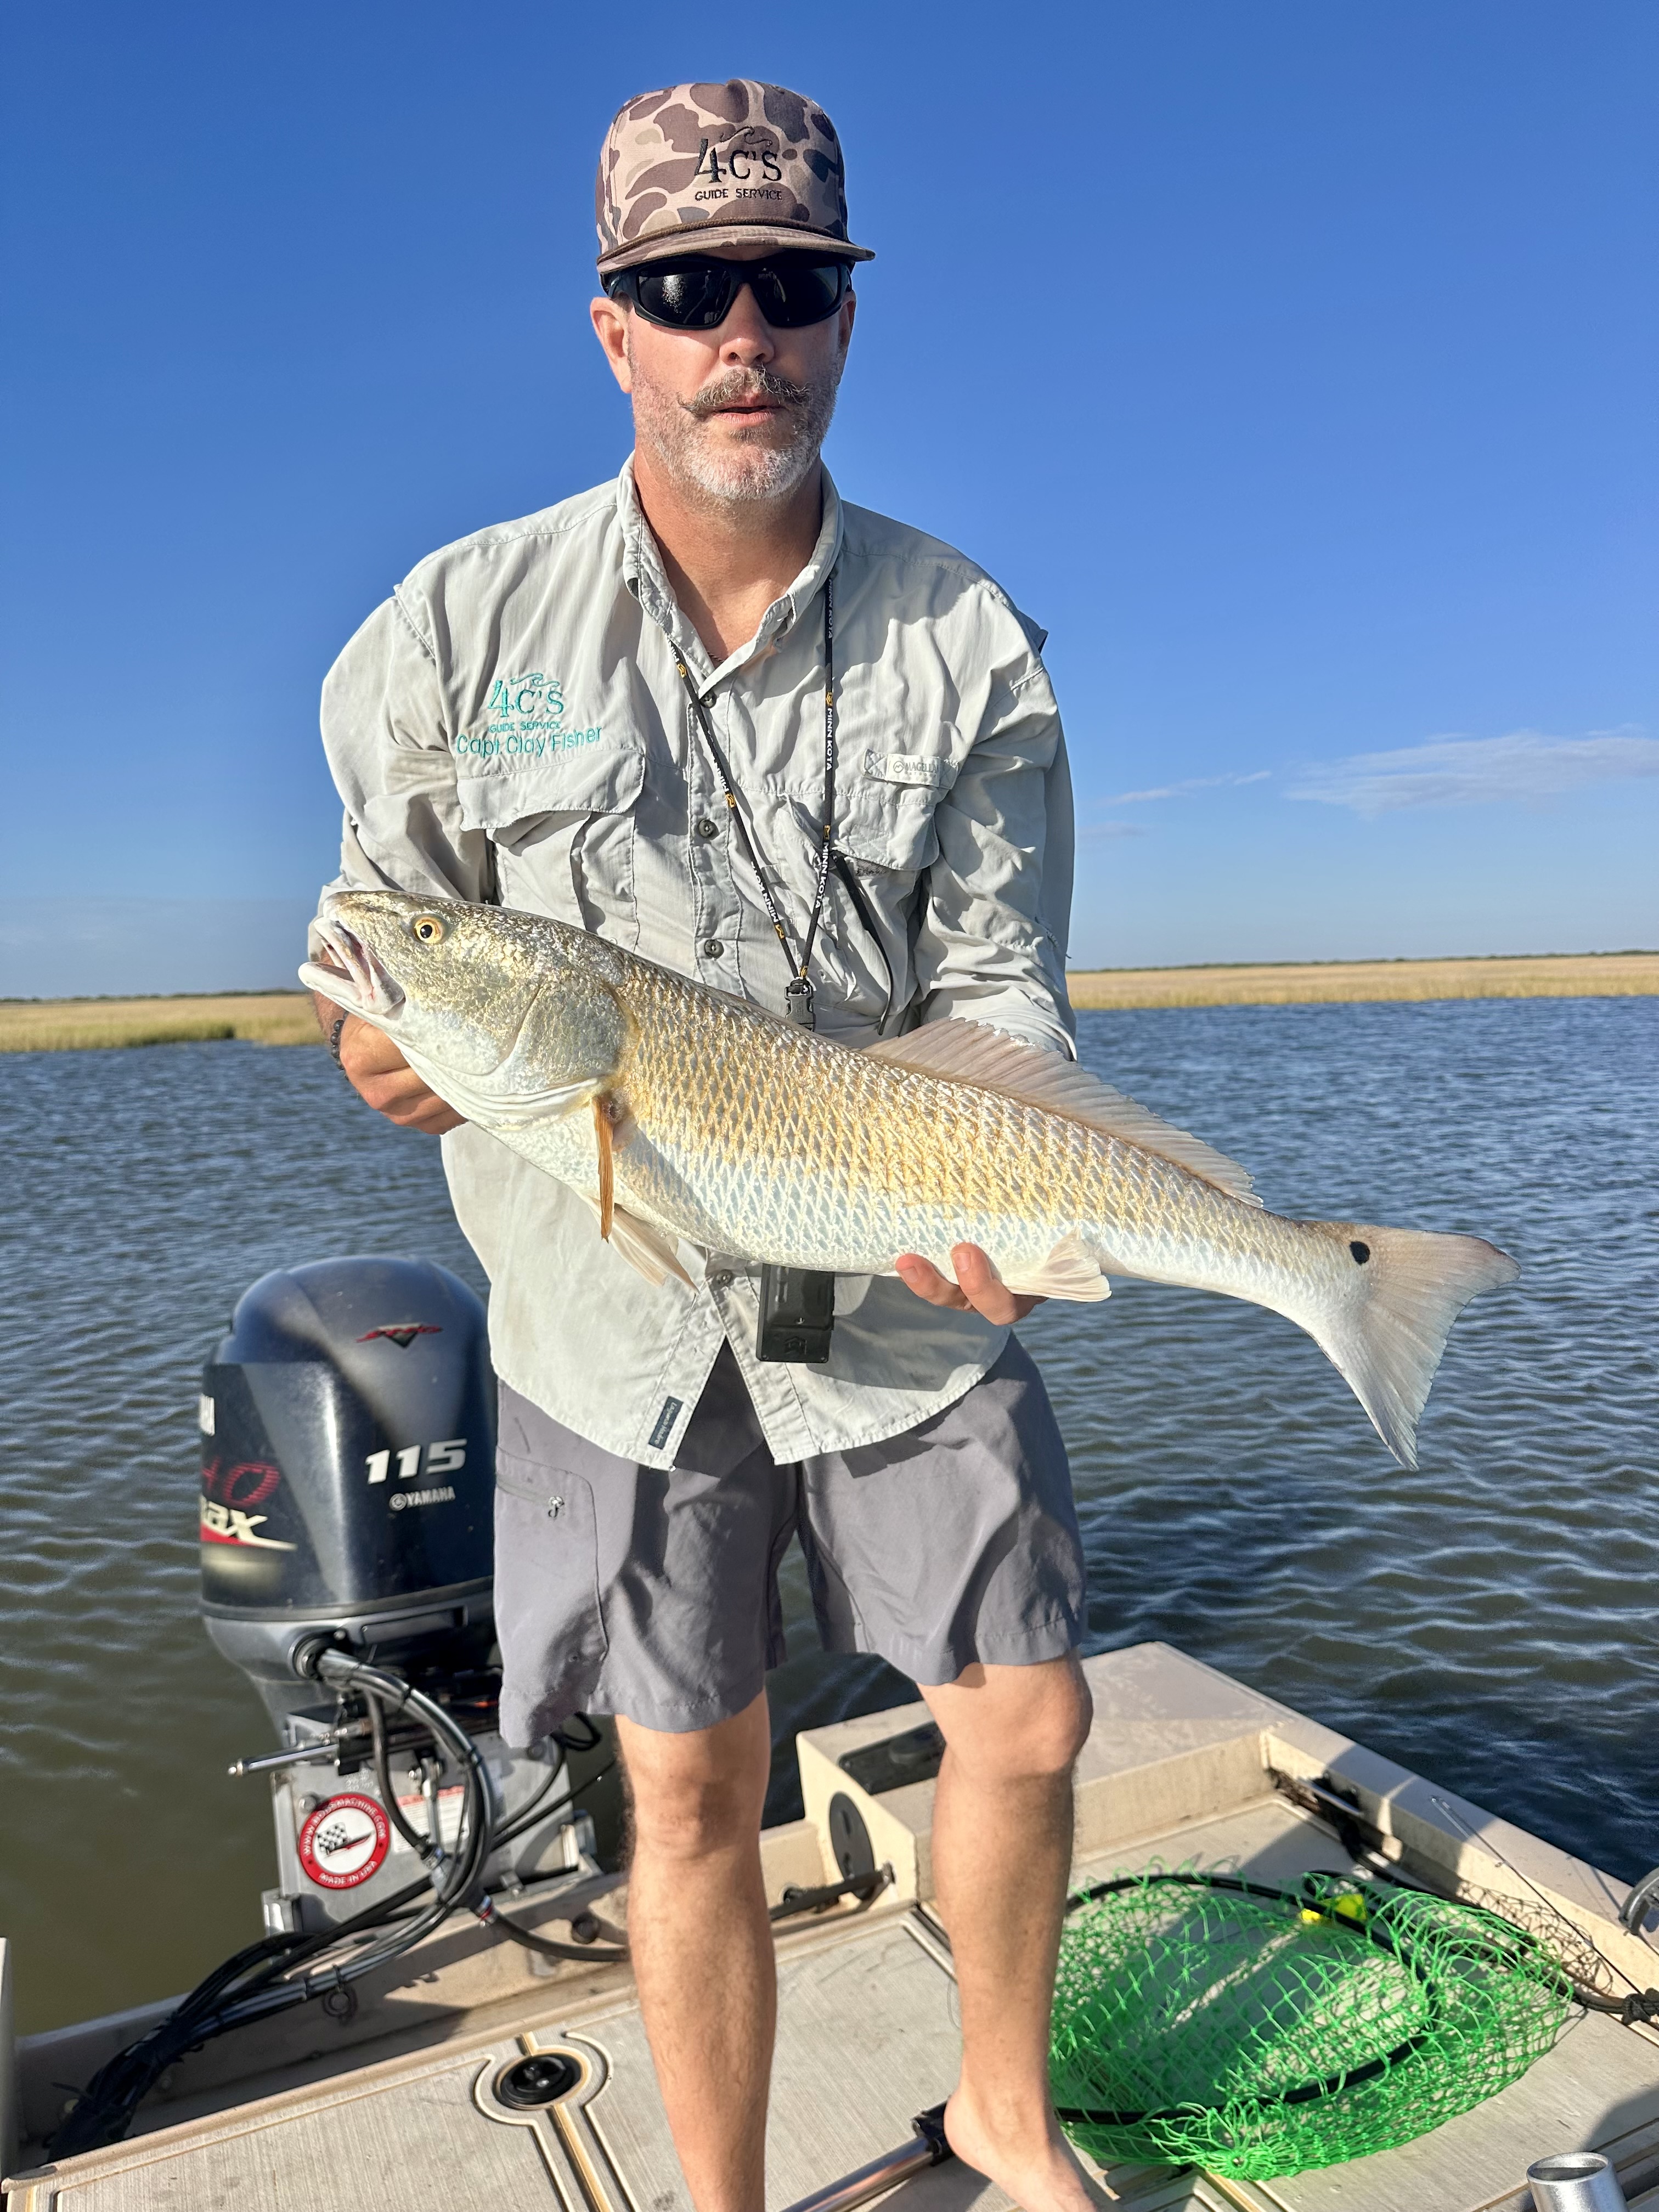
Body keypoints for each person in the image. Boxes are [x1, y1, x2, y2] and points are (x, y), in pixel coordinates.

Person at [309, 78, 1096, 2212]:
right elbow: (377, 927)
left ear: (844, 318)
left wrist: (1009, 1199)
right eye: (684, 290)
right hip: (615, 1303)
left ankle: (1004, 2114)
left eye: (788, 285)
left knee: (1026, 1712)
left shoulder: (967, 639)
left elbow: (1005, 990)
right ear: (613, 330)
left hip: (890, 1266)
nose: (740, 332)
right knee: (686, 1780)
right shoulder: (452, 631)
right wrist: (376, 1036)